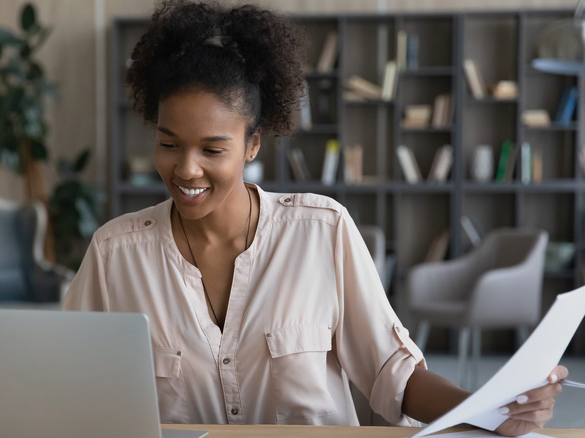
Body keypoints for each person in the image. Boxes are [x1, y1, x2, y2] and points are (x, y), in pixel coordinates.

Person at [63, 1, 567, 435]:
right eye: (168, 143)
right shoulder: (115, 255)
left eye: (213, 149)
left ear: (252, 144)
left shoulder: (321, 231)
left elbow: (394, 375)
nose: (185, 168)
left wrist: (490, 409)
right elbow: (68, 389)